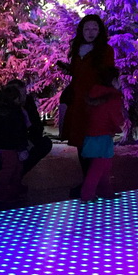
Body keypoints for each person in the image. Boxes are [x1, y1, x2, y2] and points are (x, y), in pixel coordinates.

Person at [57, 15, 115, 195]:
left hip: (94, 102)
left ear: (100, 31)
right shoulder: (77, 49)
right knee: (81, 143)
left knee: (94, 143)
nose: (90, 33)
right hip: (78, 102)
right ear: (82, 30)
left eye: (94, 29)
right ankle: (87, 182)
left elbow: (106, 76)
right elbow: (79, 74)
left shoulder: (105, 50)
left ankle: (95, 184)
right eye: (87, 29)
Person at [0, 80, 52, 208]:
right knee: (7, 163)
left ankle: (13, 184)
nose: (23, 97)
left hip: (16, 144)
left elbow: (36, 128)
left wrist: (26, 142)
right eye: (20, 94)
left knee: (19, 162)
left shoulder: (26, 105)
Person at [79, 66, 124, 202]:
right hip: (104, 133)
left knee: (102, 164)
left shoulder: (94, 94)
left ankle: (104, 190)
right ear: (113, 80)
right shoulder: (112, 96)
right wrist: (118, 125)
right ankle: (88, 194)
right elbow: (115, 116)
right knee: (100, 165)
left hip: (92, 132)